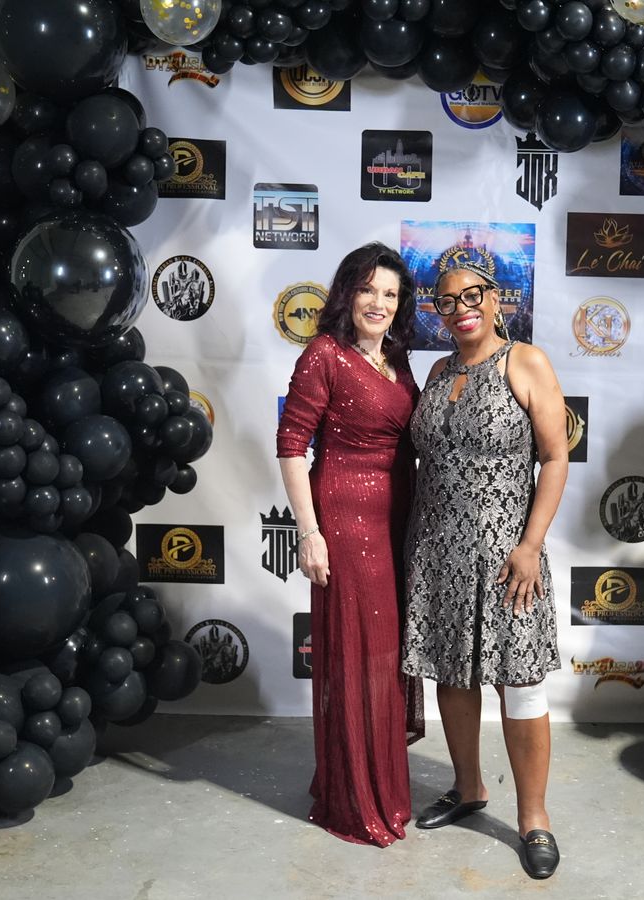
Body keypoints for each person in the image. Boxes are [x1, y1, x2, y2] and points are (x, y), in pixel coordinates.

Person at [401, 261, 569, 879]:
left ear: (497, 300)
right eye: (446, 302)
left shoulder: (525, 362)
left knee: (520, 683)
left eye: (472, 296)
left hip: (507, 556)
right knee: (452, 674)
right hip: (436, 550)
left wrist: (531, 544)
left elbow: (555, 457)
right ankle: (468, 787)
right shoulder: (437, 372)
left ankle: (534, 818)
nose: (461, 309)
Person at [276, 242, 425, 847]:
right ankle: (356, 797)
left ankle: (378, 781)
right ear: (347, 293)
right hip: (344, 516)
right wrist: (309, 533)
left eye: (390, 293)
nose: (379, 303)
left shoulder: (397, 358)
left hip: (397, 520)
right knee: (360, 653)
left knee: (385, 656)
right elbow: (292, 446)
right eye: (368, 289)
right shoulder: (324, 354)